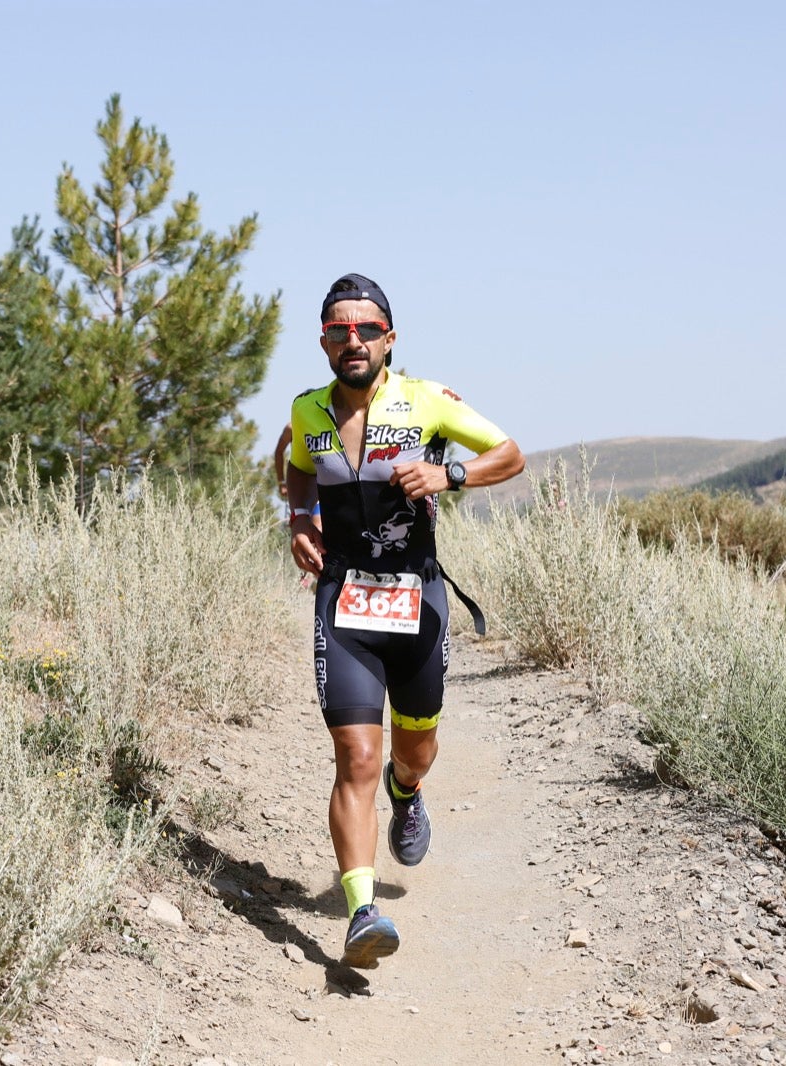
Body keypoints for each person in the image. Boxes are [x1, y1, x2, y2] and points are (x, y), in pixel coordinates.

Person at [284, 273, 524, 967]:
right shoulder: (307, 411)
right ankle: (363, 912)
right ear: (324, 342)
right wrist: (300, 516)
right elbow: (298, 467)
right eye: (338, 330)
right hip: (343, 603)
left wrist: (450, 477)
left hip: (416, 601)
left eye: (365, 329)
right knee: (355, 754)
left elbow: (509, 453)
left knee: (412, 751)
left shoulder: (426, 402)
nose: (351, 340)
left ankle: (408, 792)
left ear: (389, 338)